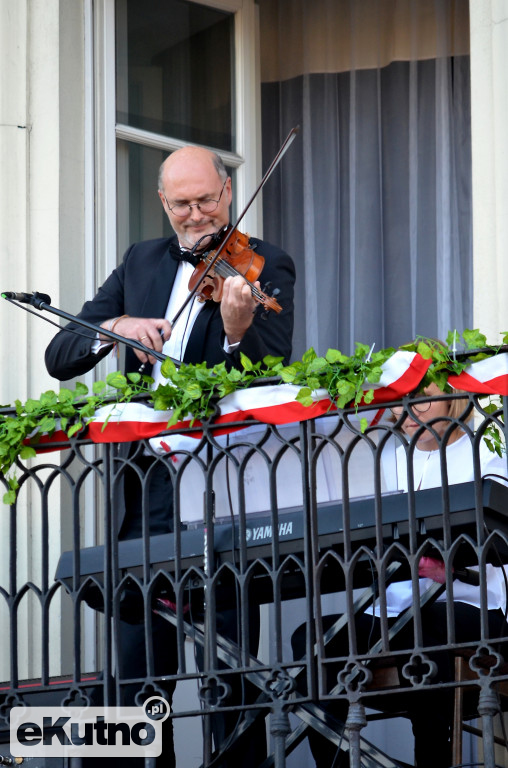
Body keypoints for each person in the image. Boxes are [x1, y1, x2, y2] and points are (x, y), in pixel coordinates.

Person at [45, 145, 296, 767]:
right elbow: (61, 357)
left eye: (206, 199)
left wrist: (236, 332)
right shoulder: (139, 262)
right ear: (164, 204)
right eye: (181, 203)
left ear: (228, 194)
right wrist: (120, 327)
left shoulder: (265, 261)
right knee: (136, 678)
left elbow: (273, 369)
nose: (196, 214)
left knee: (234, 677)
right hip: (147, 496)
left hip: (224, 494)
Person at [292, 381, 508, 768]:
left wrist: (451, 561)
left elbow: (496, 537)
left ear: (455, 397)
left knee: (428, 629)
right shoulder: (381, 460)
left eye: (423, 397)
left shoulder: (488, 455)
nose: (408, 409)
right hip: (392, 617)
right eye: (401, 399)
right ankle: (337, 763)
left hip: (470, 609)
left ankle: (432, 758)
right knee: (311, 637)